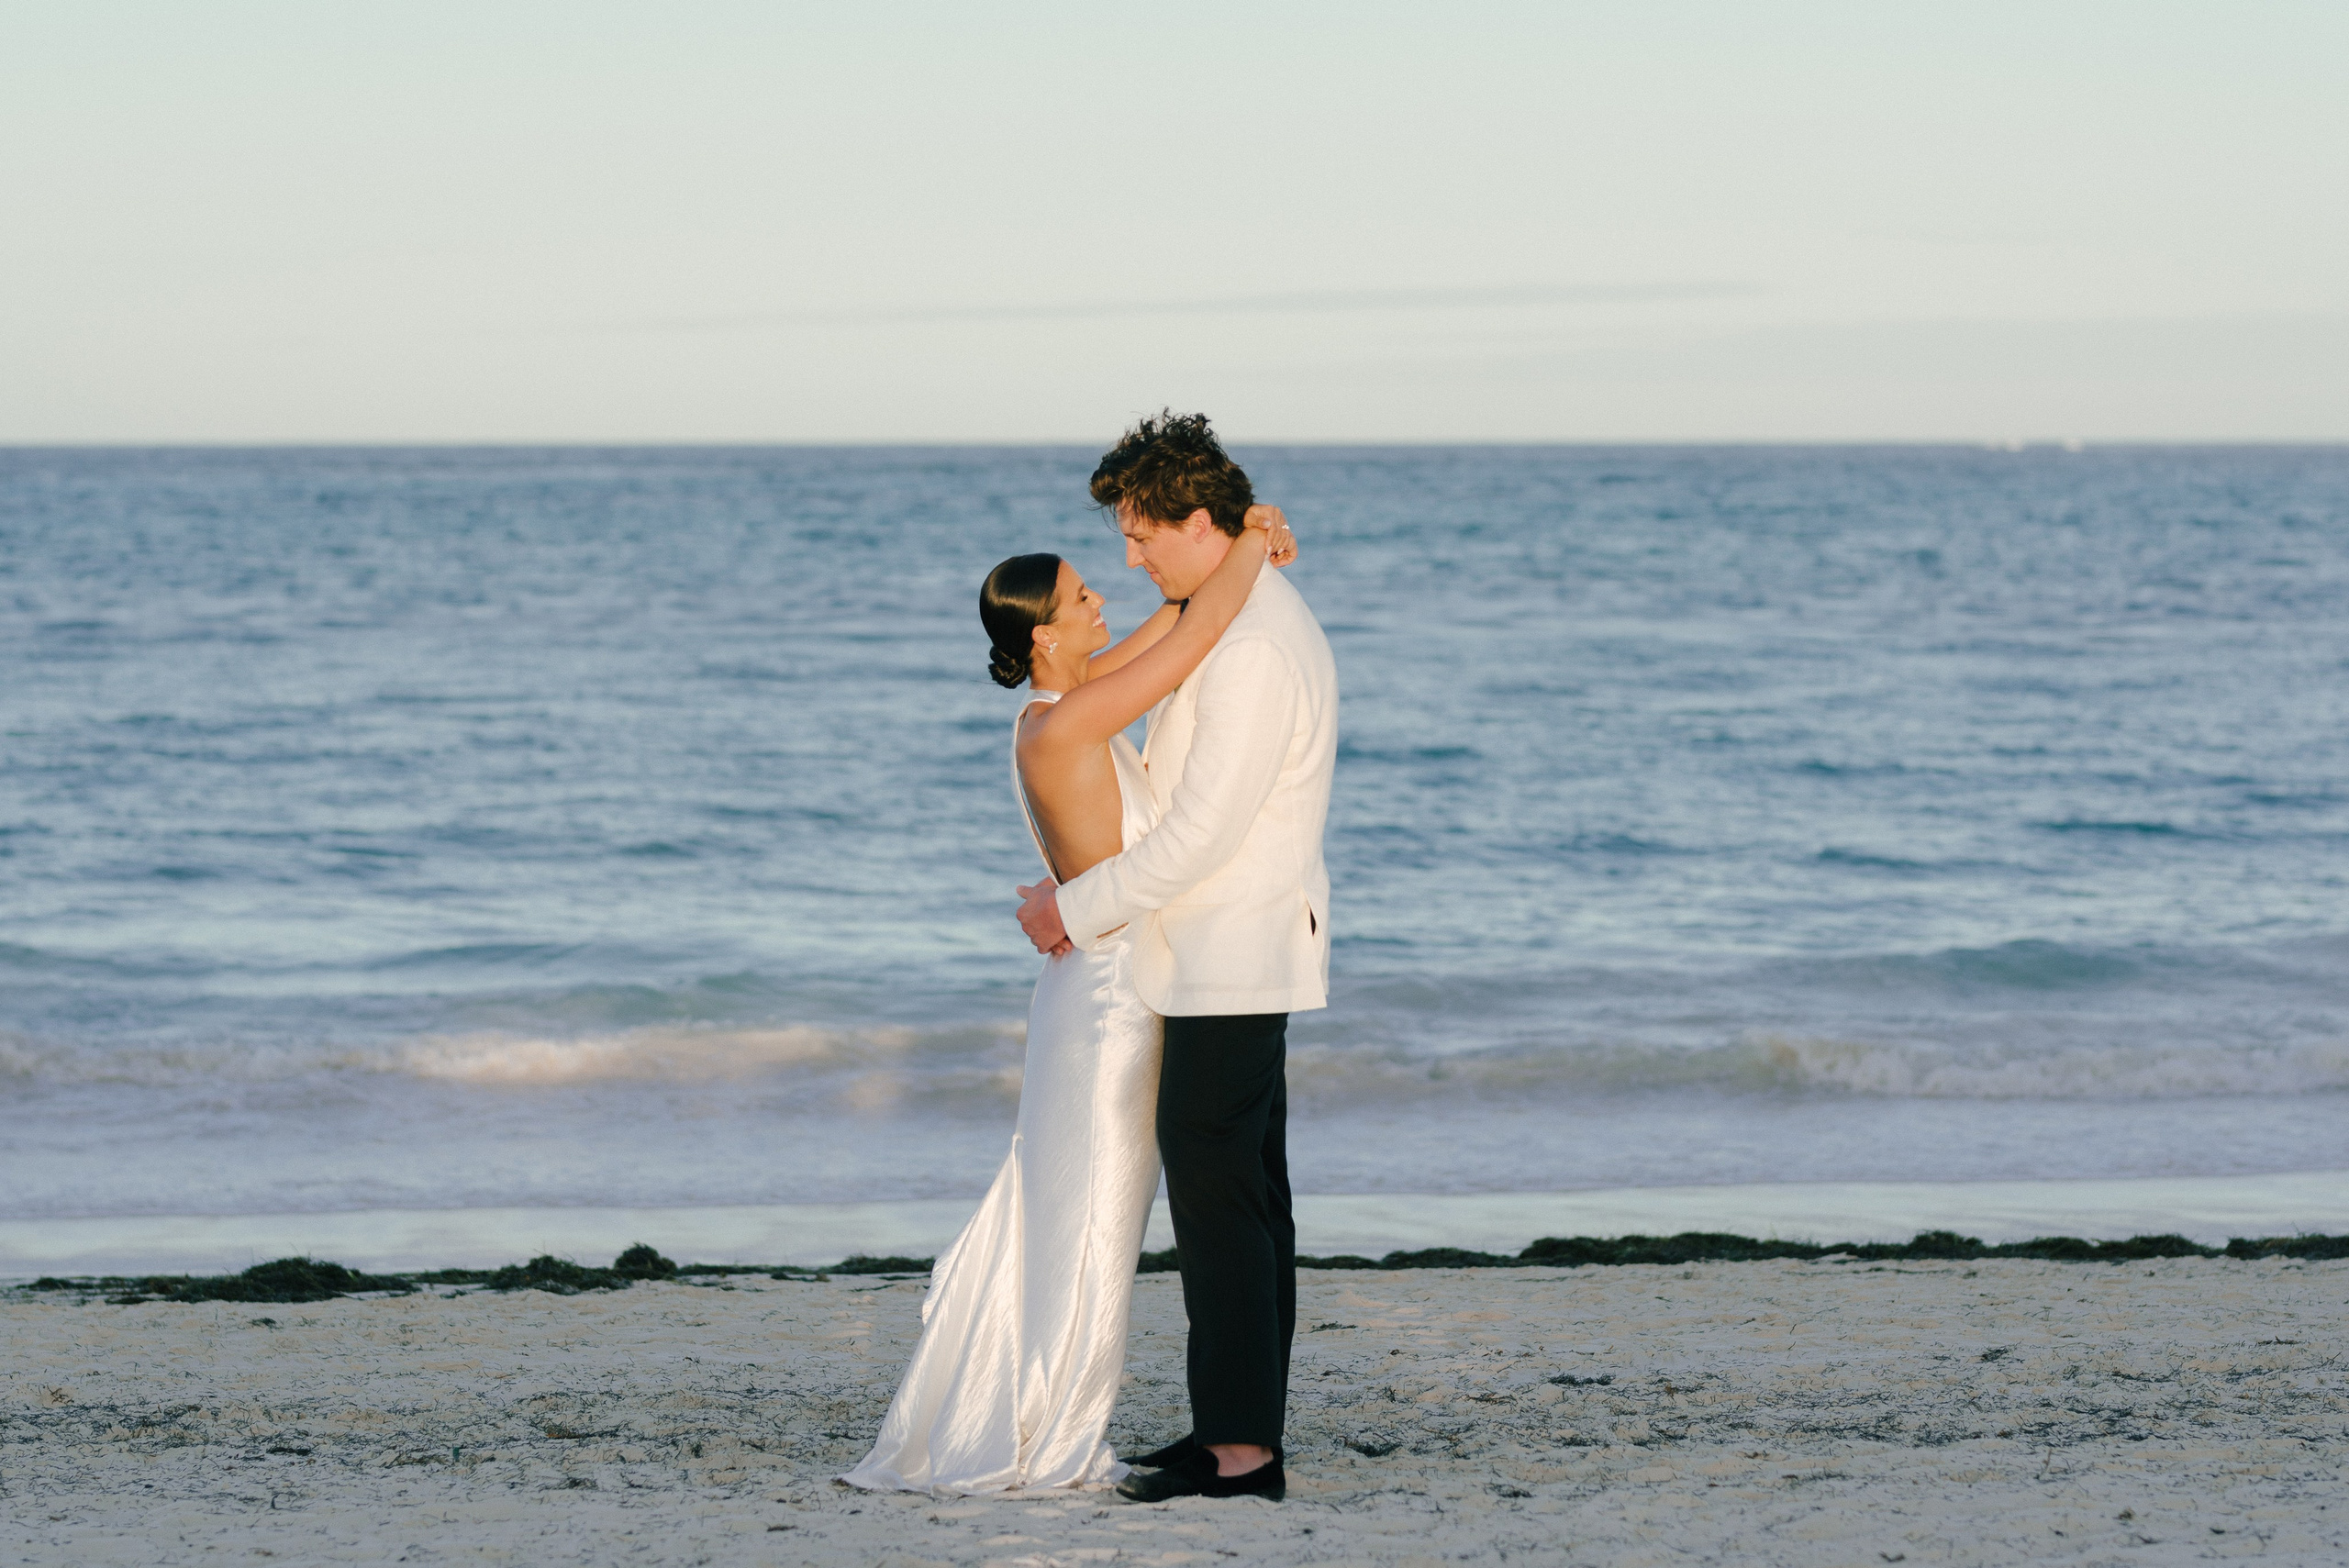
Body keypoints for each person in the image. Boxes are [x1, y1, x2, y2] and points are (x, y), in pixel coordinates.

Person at [839, 485, 1297, 1496]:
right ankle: (1050, 1435)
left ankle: (1041, 1410)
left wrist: (1245, 522)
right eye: (1084, 596)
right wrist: (1253, 542)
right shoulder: (1061, 721)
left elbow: (1177, 617)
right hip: (1107, 1003)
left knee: (1087, 1211)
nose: (1105, 600)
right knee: (1091, 1218)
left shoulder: (1075, 694)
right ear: (1043, 637)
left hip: (1120, 983)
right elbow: (1198, 630)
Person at [1016, 412, 1339, 1505]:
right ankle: (1232, 1431)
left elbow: (1200, 833)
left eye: (1143, 533)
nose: (1131, 556)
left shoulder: (1248, 647)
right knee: (1242, 1198)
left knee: (1223, 1204)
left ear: (1196, 521)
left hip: (1228, 954)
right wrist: (1249, 544)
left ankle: (1243, 1453)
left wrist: (1075, 906)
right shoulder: (1226, 608)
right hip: (1221, 950)